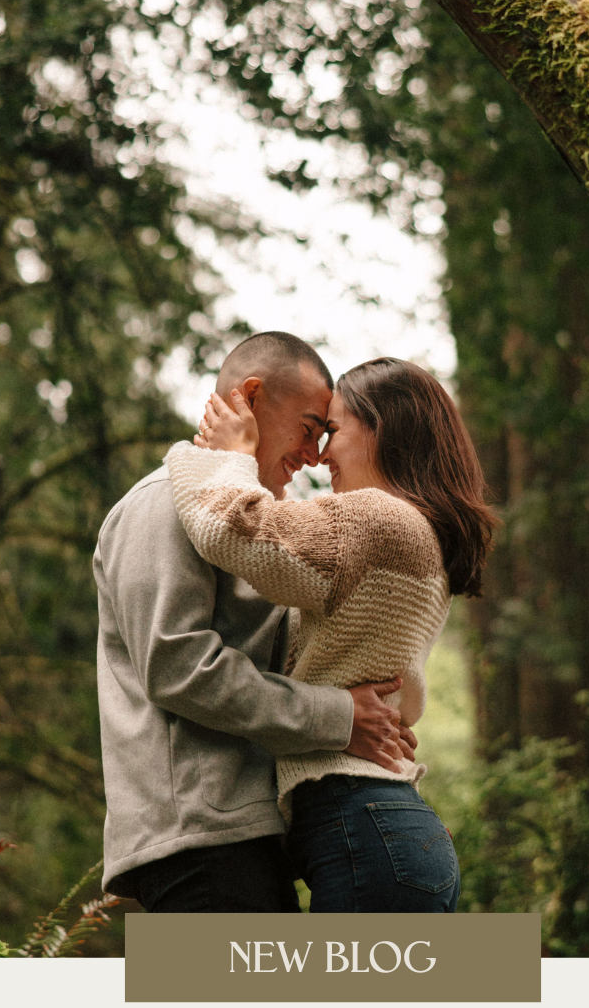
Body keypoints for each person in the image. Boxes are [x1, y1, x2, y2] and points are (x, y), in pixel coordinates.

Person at [93, 332, 415, 914]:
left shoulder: (251, 528)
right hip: (199, 842)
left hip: (245, 837)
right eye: (311, 427)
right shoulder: (161, 504)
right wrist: (339, 717)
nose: (315, 454)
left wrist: (376, 720)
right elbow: (178, 667)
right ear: (250, 397)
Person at [169, 356, 494, 912]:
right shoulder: (415, 532)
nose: (320, 455)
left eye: (334, 431)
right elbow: (298, 555)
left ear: (382, 430)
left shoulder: (379, 520)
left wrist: (216, 455)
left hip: (364, 822)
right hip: (387, 828)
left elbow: (234, 528)